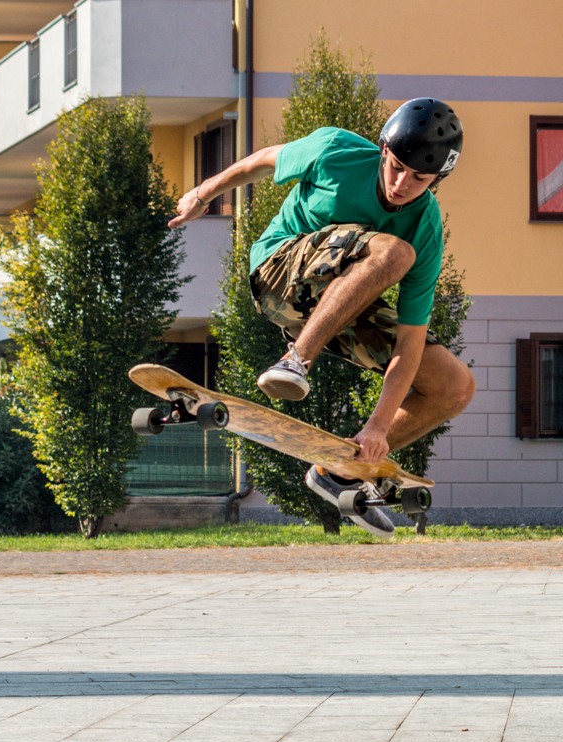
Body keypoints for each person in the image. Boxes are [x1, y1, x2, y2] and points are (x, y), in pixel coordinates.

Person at [167, 98, 475, 537]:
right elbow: (262, 160)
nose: (402, 184)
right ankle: (296, 360)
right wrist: (203, 194)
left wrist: (379, 427)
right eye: (396, 168)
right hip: (279, 274)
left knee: (455, 386)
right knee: (392, 250)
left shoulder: (425, 228)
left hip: (337, 307)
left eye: (419, 178)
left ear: (437, 179)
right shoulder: (335, 151)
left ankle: (342, 473)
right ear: (384, 151)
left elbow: (408, 342)